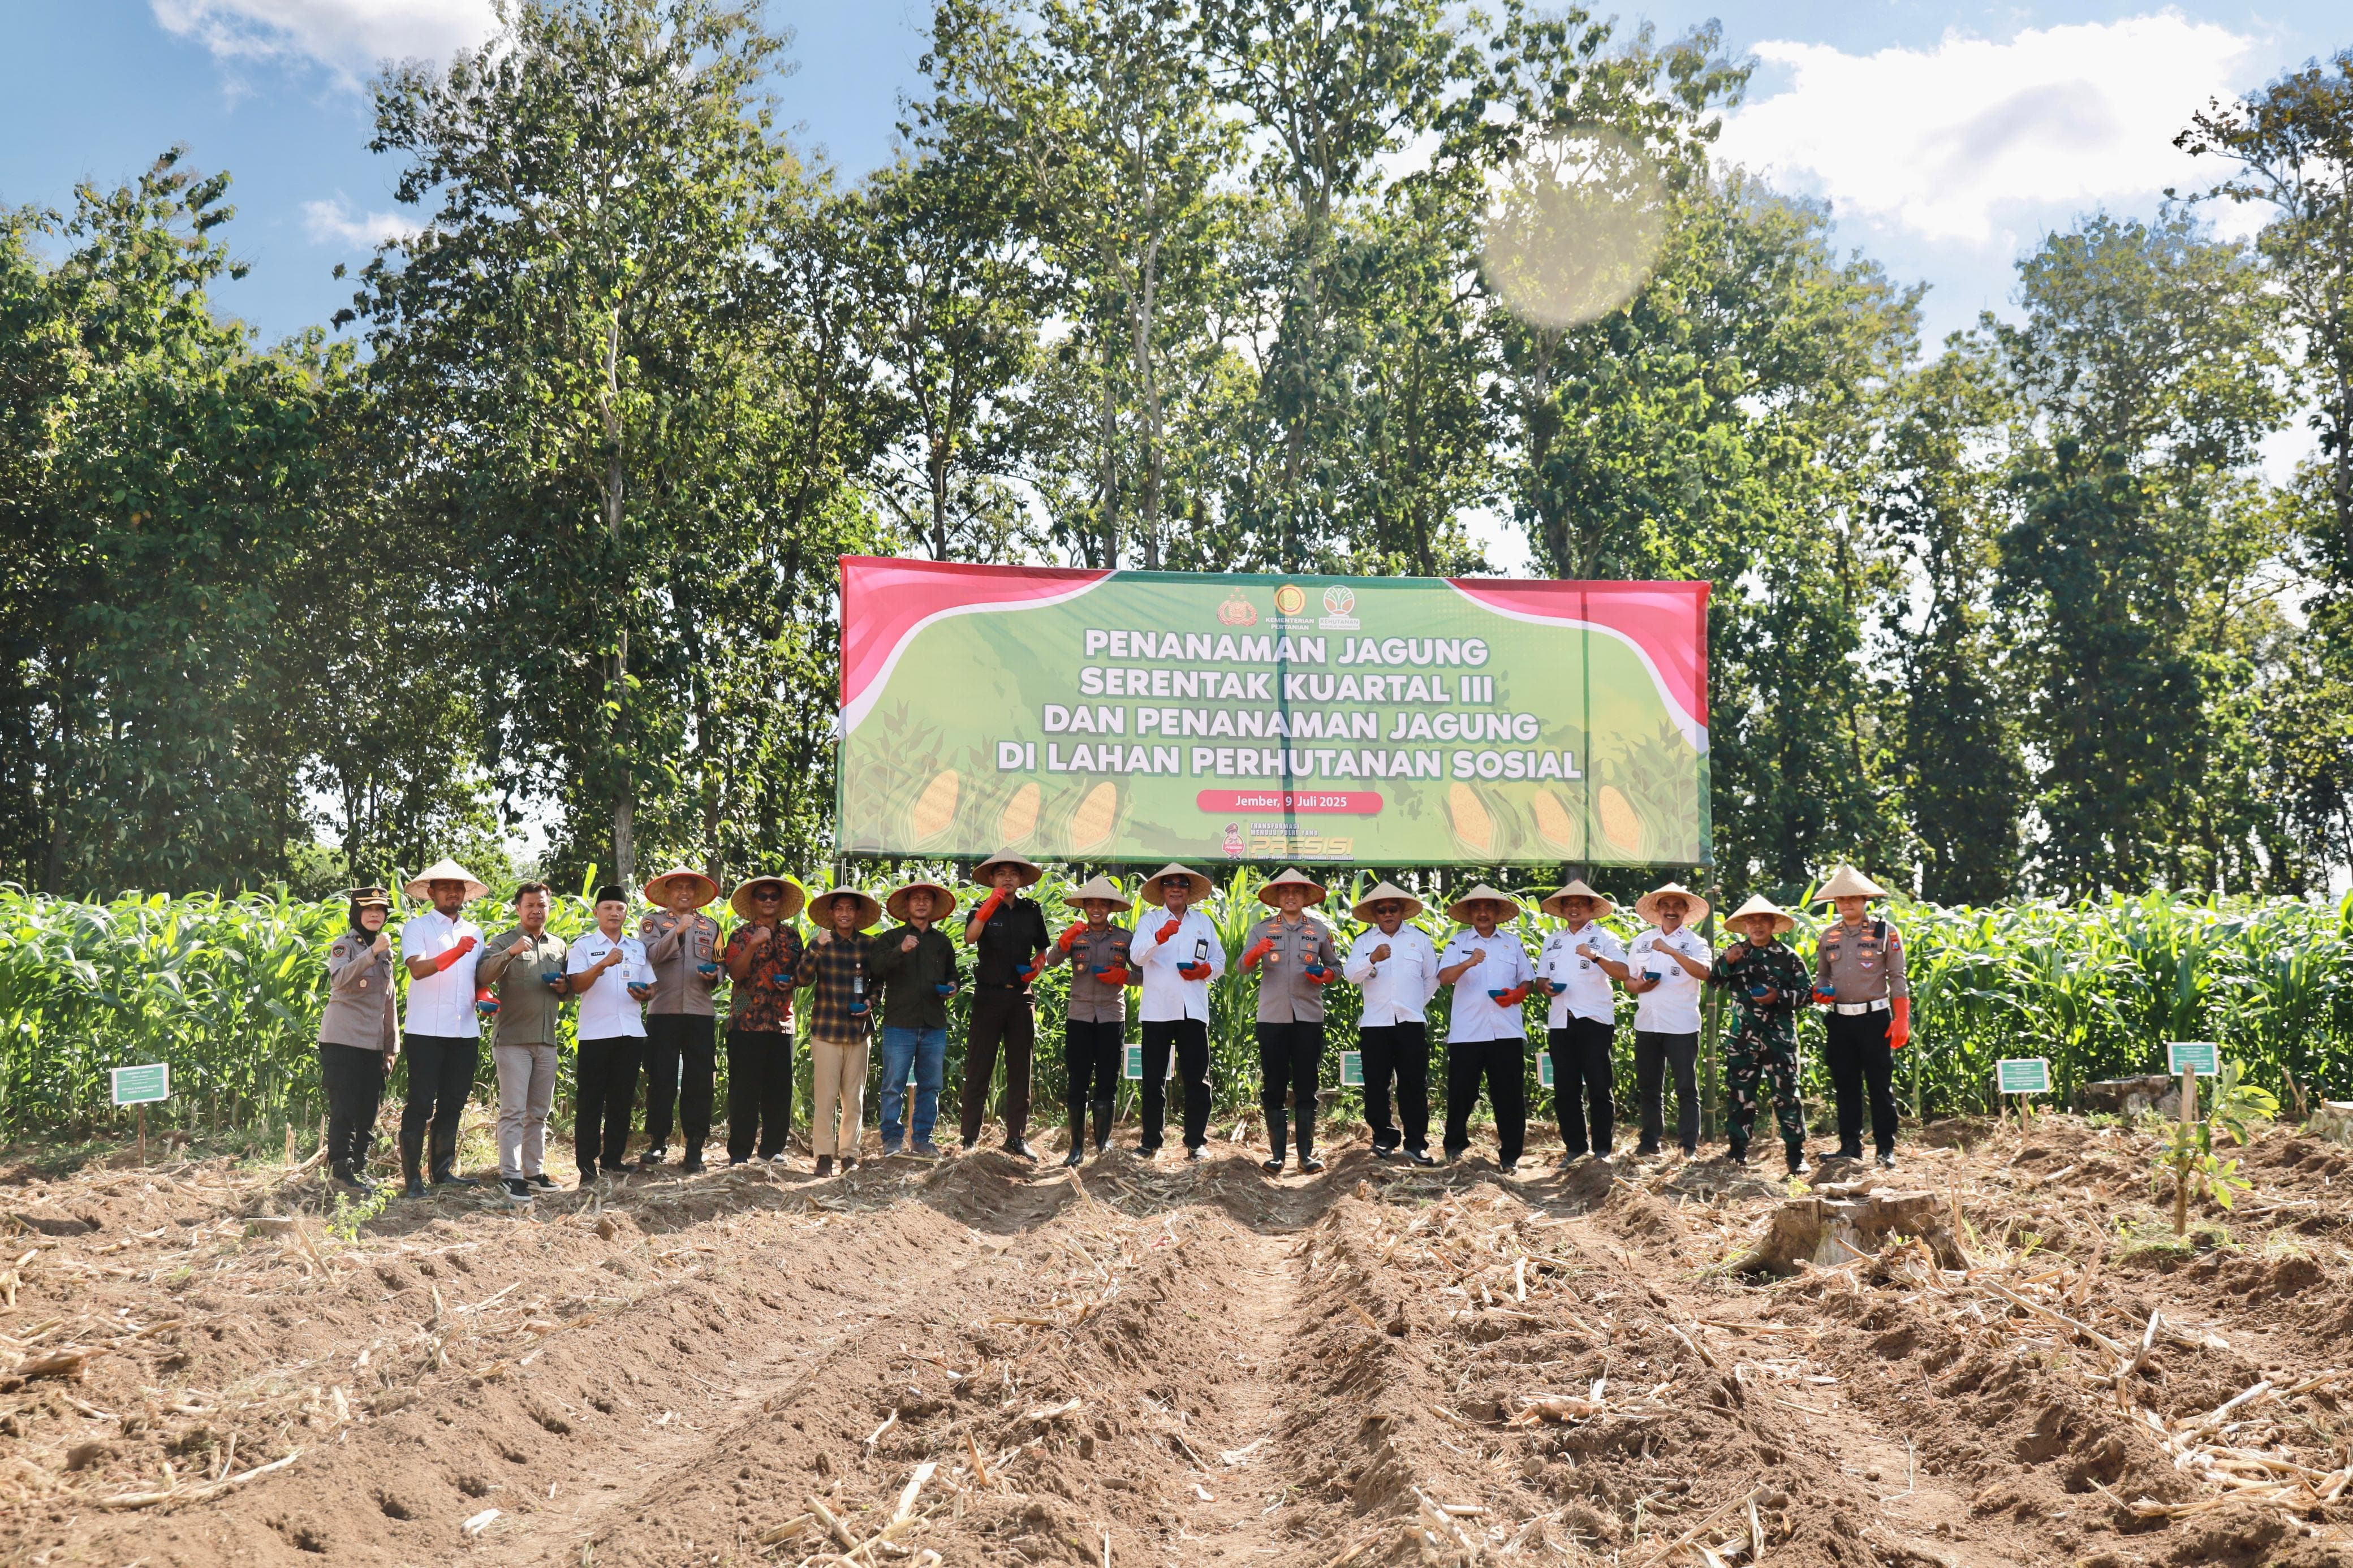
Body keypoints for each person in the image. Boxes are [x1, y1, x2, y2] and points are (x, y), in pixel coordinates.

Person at [396, 858, 490, 1198]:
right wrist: (455, 952)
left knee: (453, 1102)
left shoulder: (475, 932)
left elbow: (475, 979)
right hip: (425, 1030)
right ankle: (413, 1180)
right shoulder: (417, 928)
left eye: (458, 887)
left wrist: (488, 997)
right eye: (445, 887)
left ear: (465, 893)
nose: (453, 892)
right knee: (420, 1103)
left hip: (465, 1028)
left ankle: (442, 1172)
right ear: (431, 892)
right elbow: (419, 970)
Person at [1598, 883, 1711, 1160]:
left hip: (1682, 1024)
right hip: (1647, 1023)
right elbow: (1630, 982)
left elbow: (1705, 973)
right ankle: (1650, 1142)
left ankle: (1688, 1145)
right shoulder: (1642, 940)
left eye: (1677, 906)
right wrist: (1640, 987)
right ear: (1658, 909)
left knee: (1686, 1087)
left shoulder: (1696, 943)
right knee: (1649, 1087)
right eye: (1666, 906)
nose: (1671, 911)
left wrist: (1672, 951)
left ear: (1686, 910)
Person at [1239, 868, 1342, 1176]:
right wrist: (1256, 953)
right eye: (1285, 892)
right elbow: (1243, 968)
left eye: (1297, 891)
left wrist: (1327, 975)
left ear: (1305, 897)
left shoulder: (1320, 931)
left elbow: (1335, 967)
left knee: (1307, 1085)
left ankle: (1306, 1156)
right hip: (1272, 1017)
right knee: (1274, 1084)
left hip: (1309, 1016)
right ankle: (1277, 1156)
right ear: (1278, 898)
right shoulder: (1262, 929)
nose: (1291, 897)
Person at [477, 881, 570, 1203]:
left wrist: (563, 987)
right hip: (513, 1040)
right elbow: (483, 976)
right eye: (530, 905)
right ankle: (510, 1175)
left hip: (546, 1040)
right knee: (514, 1111)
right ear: (518, 909)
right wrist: (510, 952)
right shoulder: (503, 941)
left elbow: (569, 991)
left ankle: (534, 1172)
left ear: (548, 908)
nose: (536, 910)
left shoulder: (558, 946)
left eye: (541, 905)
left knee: (539, 1112)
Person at [1811, 865, 1910, 1169]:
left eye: (1853, 898)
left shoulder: (1885, 932)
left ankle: (1885, 1149)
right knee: (1846, 1084)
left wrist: (1902, 1018)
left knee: (1880, 1084)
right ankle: (1850, 1147)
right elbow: (1823, 975)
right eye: (1841, 900)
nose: (1847, 904)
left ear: (1865, 899)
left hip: (1874, 1019)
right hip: (1841, 1020)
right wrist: (1820, 991)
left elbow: (1897, 976)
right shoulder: (1829, 936)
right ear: (1835, 904)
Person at [1708, 893, 1812, 1174]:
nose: (1756, 926)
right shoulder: (1736, 954)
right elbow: (1713, 981)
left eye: (1762, 920)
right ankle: (1738, 1152)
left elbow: (1807, 995)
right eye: (1751, 921)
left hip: (1778, 1039)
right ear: (1744, 926)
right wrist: (1726, 961)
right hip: (1742, 1039)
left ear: (1772, 924)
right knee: (1740, 1096)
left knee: (1787, 1096)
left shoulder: (1789, 958)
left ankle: (1796, 1156)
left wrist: (1778, 996)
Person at [1035, 874, 1134, 1167]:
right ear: (1084, 907)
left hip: (1111, 1016)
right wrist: (1063, 943)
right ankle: (1076, 1148)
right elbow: (1051, 962)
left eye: (1102, 904)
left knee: (1108, 1080)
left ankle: (1103, 1144)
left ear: (1110, 908)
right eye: (1091, 903)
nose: (1096, 909)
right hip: (1079, 1016)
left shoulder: (1125, 938)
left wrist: (1124, 976)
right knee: (1077, 1081)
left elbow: (1143, 974)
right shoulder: (1075, 934)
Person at [1436, 885, 1538, 1169]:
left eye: (1488, 908)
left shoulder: (1512, 943)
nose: (1483, 913)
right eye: (1477, 908)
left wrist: (1518, 994)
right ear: (1470, 913)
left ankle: (1510, 1156)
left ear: (1496, 913)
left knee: (1509, 1096)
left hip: (1506, 1030)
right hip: (1468, 1031)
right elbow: (1444, 978)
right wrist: (1469, 962)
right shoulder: (1457, 943)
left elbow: (1527, 979)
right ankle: (1454, 1147)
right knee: (1461, 1093)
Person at [959, 852, 1051, 1159]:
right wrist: (989, 906)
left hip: (1022, 996)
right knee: (979, 1065)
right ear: (991, 879)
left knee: (1020, 1068)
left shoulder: (1031, 910)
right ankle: (969, 1137)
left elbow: (1043, 950)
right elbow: (970, 938)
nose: (1008, 878)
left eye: (1014, 874)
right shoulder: (981, 908)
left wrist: (1038, 964)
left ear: (1021, 880)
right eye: (1001, 874)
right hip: (989, 996)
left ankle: (1017, 1138)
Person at [1343, 880, 1439, 1167]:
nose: (1388, 914)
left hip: (1410, 1022)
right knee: (1375, 1083)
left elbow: (1432, 978)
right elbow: (1350, 974)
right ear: (1375, 914)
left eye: (1393, 909)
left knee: (1413, 1083)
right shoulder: (1364, 942)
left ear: (1402, 912)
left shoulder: (1419, 940)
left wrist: (1413, 1005)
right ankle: (1383, 1138)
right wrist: (1372, 958)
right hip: (1375, 1023)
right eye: (1382, 910)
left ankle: (1416, 1143)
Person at [1134, 862, 1225, 1160]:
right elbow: (1136, 957)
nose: (1175, 888)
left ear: (1188, 891)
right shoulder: (1150, 922)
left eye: (1182, 883)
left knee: (1198, 1079)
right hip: (1158, 1009)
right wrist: (1159, 937)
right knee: (1153, 1079)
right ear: (1161, 890)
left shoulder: (1203, 922)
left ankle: (1196, 1142)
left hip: (1193, 1009)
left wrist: (1205, 970)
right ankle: (1150, 1142)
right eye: (1169, 883)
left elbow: (1220, 960)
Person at [637, 867, 724, 1174]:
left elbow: (720, 963)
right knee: (661, 1077)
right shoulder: (653, 923)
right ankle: (658, 1141)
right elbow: (649, 957)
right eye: (678, 888)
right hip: (663, 1011)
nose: (684, 893)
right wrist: (677, 931)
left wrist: (717, 975)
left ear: (696, 894)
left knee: (699, 1080)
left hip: (701, 1012)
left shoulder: (712, 925)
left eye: (690, 888)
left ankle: (695, 1146)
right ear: (669, 893)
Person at [567, 885, 654, 1185]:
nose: (614, 913)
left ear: (626, 912)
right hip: (596, 1033)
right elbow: (576, 985)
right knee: (591, 1100)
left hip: (630, 1032)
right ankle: (586, 1166)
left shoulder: (637, 947)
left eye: (620, 908)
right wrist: (603, 963)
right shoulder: (583, 946)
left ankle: (614, 1159)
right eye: (608, 908)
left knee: (621, 1099)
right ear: (596, 913)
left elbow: (651, 985)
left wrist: (645, 993)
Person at [1535, 880, 1626, 1165]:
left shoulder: (1605, 938)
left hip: (1595, 1019)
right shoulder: (1553, 941)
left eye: (1580, 904)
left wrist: (1596, 956)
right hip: (1561, 1019)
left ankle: (1602, 1149)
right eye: (1568, 904)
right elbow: (1540, 979)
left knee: (1600, 1085)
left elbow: (1623, 972)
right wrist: (1545, 987)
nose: (1574, 908)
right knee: (1565, 1088)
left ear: (1591, 908)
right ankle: (1575, 1147)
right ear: (1561, 910)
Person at [870, 879, 959, 1159]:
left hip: (934, 1024)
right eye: (916, 899)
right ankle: (892, 1140)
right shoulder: (891, 939)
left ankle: (922, 1139)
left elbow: (952, 974)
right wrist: (902, 950)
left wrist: (953, 987)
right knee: (893, 1085)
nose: (921, 903)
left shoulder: (942, 942)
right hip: (900, 1023)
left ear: (933, 907)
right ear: (907, 906)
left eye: (927, 899)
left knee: (931, 1085)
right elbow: (877, 969)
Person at [719, 875, 805, 1167]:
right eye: (763, 897)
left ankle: (772, 1149)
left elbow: (804, 975)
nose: (769, 901)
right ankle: (740, 1153)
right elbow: (736, 974)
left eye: (774, 896)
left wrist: (793, 980)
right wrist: (754, 945)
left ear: (780, 902)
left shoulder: (792, 937)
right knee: (744, 1089)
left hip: (782, 1021)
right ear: (754, 903)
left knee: (779, 1089)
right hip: (745, 1021)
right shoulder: (741, 936)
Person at [318, 885, 399, 1192]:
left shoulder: (386, 953)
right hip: (342, 1041)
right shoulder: (346, 946)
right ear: (357, 914)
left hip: (372, 1044)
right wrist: (372, 952)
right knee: (345, 1107)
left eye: (380, 909)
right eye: (369, 910)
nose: (375, 914)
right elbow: (339, 981)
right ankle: (342, 1169)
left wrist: (391, 1047)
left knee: (368, 1109)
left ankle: (361, 1167)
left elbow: (388, 1001)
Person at [797, 887, 882, 1176]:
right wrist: (815, 947)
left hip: (859, 1032)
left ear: (857, 914)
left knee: (854, 1097)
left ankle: (849, 1156)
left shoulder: (870, 945)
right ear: (832, 914)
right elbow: (802, 979)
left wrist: (871, 1001)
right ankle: (823, 1156)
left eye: (850, 909)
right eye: (839, 909)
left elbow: (877, 983)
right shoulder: (822, 944)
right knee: (826, 1097)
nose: (845, 914)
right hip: (826, 1030)